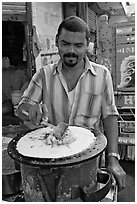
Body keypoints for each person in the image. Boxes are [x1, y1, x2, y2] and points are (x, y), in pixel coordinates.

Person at [17, 16, 126, 192]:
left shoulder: (102, 75)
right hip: (50, 163)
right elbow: (22, 109)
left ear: (87, 44)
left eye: (78, 45)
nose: (71, 51)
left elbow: (110, 116)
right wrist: (30, 110)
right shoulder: (43, 75)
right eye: (65, 44)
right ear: (57, 41)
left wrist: (113, 158)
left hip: (90, 164)